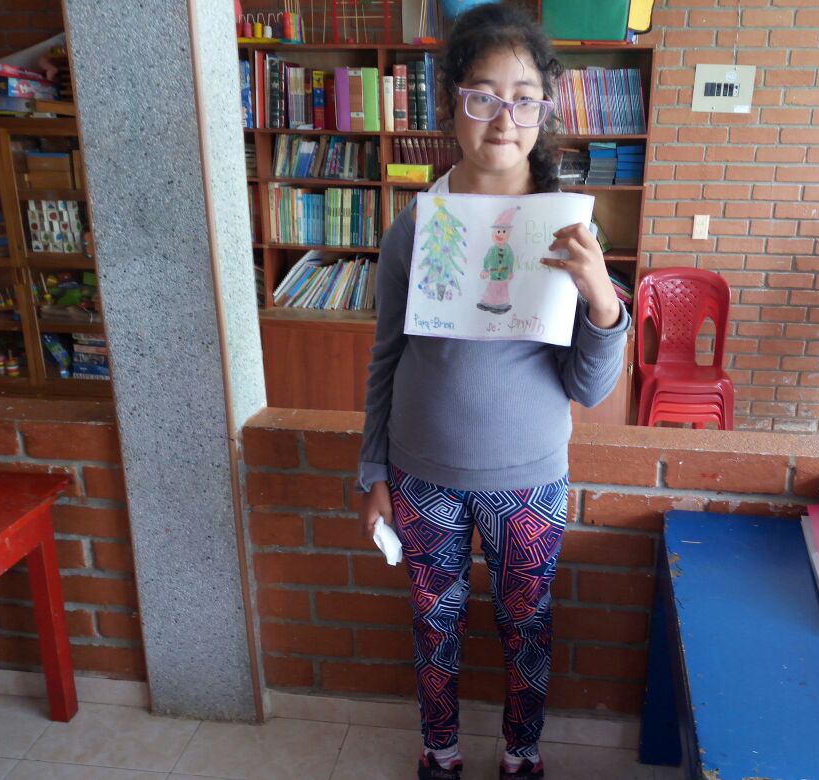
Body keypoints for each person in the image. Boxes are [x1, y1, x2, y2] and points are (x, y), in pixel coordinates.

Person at [356, 5, 630, 779]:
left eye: (523, 99)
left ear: (544, 111)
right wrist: (373, 471)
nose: (503, 119)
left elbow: (589, 387)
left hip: (529, 479)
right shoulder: (417, 225)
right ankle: (440, 753)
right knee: (433, 623)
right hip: (422, 474)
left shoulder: (569, 229)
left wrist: (602, 301)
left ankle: (521, 756)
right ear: (452, 104)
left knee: (526, 625)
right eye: (482, 96)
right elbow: (386, 357)